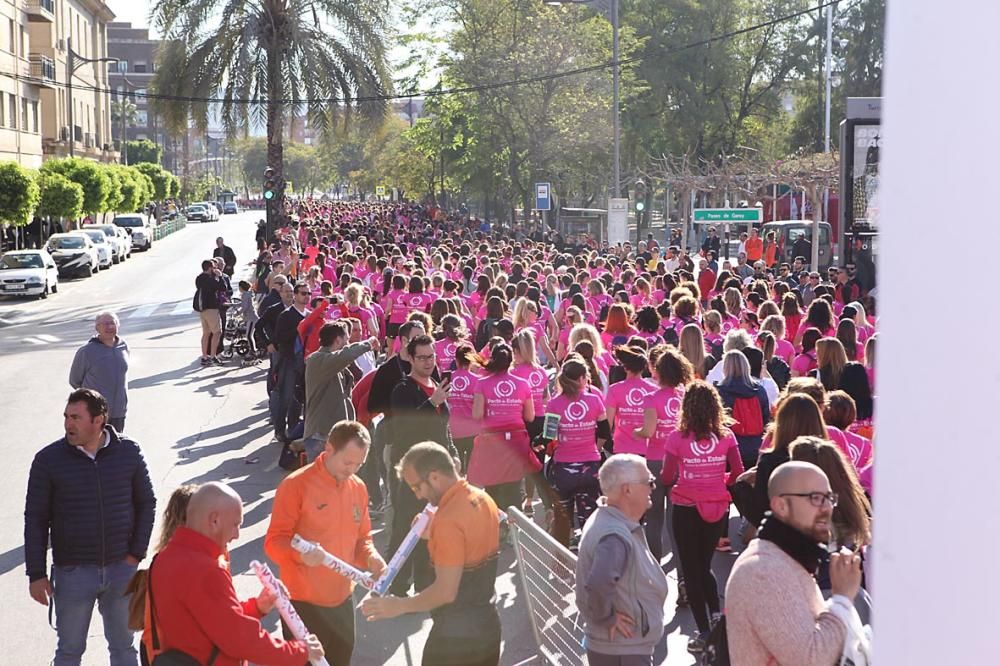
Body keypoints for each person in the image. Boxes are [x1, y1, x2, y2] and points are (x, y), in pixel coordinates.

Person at [24, 388, 156, 666]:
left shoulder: (128, 452)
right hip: (73, 573)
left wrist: (136, 554)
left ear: (99, 420)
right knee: (69, 652)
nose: (68, 424)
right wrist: (36, 574)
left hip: (122, 570)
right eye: (66, 417)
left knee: (124, 649)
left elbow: (147, 502)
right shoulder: (48, 460)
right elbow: (35, 519)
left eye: (76, 417)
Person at [149, 482, 323, 665]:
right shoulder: (206, 570)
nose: (237, 535)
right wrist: (300, 651)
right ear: (214, 520)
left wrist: (258, 606)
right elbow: (240, 640)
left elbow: (214, 619)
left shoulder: (165, 558)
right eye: (235, 525)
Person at [362, 442, 502, 666]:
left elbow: (445, 592)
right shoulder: (482, 499)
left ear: (435, 477)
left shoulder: (447, 522)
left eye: (418, 487)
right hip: (487, 626)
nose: (418, 496)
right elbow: (468, 542)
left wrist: (399, 605)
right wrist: (434, 534)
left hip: (454, 640)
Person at [265, 421, 388, 664]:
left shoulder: (358, 488)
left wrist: (372, 558)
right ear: (329, 449)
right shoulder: (295, 485)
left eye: (359, 464)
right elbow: (274, 542)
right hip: (302, 604)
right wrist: (301, 556)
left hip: (343, 601)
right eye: (347, 462)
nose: (352, 470)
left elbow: (363, 539)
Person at [725, 461, 863, 666]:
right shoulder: (763, 571)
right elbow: (812, 659)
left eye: (829, 498)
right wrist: (842, 598)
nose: (826, 508)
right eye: (815, 498)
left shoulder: (786, 556)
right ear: (781, 505)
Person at [661, 381, 744, 652]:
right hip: (718, 507)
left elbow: (666, 476)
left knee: (691, 569)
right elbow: (738, 472)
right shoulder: (727, 436)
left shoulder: (676, 438)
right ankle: (717, 615)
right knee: (704, 564)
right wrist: (715, 478)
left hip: (686, 508)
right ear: (715, 407)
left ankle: (704, 631)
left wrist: (691, 477)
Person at [575, 454, 669, 666]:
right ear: (627, 490)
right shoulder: (614, 535)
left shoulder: (609, 519)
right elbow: (598, 583)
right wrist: (606, 618)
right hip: (622, 650)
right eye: (649, 482)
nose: (653, 487)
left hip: (622, 648)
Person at [385, 333, 454, 596]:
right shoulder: (403, 389)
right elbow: (404, 430)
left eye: (432, 356)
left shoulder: (435, 384)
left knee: (432, 531)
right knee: (406, 530)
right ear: (410, 358)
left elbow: (442, 428)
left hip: (437, 474)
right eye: (422, 357)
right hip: (413, 474)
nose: (428, 362)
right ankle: (396, 585)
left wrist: (453, 455)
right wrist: (431, 403)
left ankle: (426, 584)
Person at [544, 355, 610, 546]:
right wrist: (593, 449)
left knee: (562, 522)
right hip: (590, 468)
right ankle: (591, 566)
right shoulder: (594, 400)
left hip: (563, 469)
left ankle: (561, 568)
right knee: (590, 522)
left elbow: (548, 435)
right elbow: (605, 432)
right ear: (582, 378)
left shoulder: (554, 403)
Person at [470, 339, 537, 511]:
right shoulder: (523, 384)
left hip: (492, 442)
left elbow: (477, 415)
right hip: (515, 441)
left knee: (492, 488)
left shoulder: (482, 383)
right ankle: (514, 529)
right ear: (511, 360)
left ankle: (496, 527)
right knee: (514, 486)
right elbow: (530, 416)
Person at [302, 322, 380, 459]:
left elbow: (356, 372)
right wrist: (368, 344)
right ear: (338, 340)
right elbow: (346, 355)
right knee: (320, 479)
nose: (348, 343)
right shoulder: (318, 360)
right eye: (346, 339)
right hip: (321, 434)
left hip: (337, 433)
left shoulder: (334, 362)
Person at [69, 311, 130, 432]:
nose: (109, 327)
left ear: (118, 326)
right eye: (105, 324)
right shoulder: (86, 351)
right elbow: (75, 381)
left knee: (115, 448)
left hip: (119, 412)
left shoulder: (123, 346)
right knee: (94, 448)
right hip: (95, 413)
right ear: (97, 328)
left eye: (112, 323)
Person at [715, 350, 771, 470]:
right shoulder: (759, 390)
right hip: (756, 447)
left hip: (730, 448)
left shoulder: (720, 392)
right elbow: (766, 419)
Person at [271, 281, 311, 443]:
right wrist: (298, 328)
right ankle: (279, 430)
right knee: (286, 397)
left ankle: (294, 428)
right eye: (303, 293)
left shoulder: (310, 315)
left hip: (306, 361)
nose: (306, 296)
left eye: (308, 293)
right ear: (295, 295)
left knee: (299, 398)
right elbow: (279, 338)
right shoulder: (286, 315)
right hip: (289, 360)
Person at [195, 259, 224, 366]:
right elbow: (222, 287)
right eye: (213, 267)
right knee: (217, 332)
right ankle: (213, 356)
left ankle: (204, 356)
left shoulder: (199, 279)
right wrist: (219, 276)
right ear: (210, 268)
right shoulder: (210, 279)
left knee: (206, 333)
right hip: (211, 308)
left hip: (202, 309)